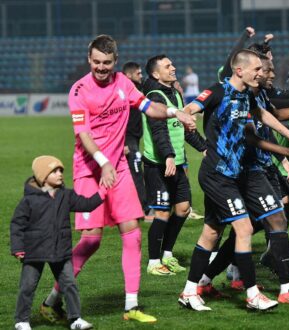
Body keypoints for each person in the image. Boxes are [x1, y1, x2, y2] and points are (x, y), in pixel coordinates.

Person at [42, 34, 196, 324]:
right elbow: (83, 135)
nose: (100, 68)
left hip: (119, 169)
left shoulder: (124, 84)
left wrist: (176, 112)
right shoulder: (78, 91)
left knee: (132, 233)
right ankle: (51, 300)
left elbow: (150, 108)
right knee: (91, 241)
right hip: (90, 171)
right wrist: (103, 163)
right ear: (89, 60)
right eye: (96, 62)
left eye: (106, 63)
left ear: (115, 62)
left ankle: (131, 307)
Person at [178, 49, 289, 311]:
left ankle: (190, 291)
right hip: (217, 175)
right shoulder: (218, 91)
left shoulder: (248, 95)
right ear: (240, 70)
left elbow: (264, 115)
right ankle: (251, 294)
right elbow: (193, 106)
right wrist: (186, 114)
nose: (261, 74)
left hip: (233, 175)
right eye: (257, 69)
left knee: (211, 233)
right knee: (245, 229)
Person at [11, 156, 101, 330]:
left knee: (70, 285)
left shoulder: (66, 195)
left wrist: (102, 193)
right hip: (34, 250)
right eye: (54, 171)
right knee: (27, 286)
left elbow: (86, 204)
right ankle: (21, 321)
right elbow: (17, 224)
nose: (60, 174)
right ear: (43, 176)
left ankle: (75, 319)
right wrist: (18, 247)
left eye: (61, 170)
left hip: (60, 250)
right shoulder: (29, 200)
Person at [142, 54, 207, 276]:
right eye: (167, 66)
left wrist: (204, 147)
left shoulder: (176, 95)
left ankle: (167, 254)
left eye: (172, 64)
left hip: (176, 163)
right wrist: (168, 155)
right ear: (155, 74)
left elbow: (186, 129)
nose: (173, 68)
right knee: (161, 213)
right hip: (158, 164)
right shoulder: (154, 96)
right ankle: (153, 261)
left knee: (182, 208)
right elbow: (158, 130)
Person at [122, 62, 149, 220]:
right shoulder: (125, 92)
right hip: (127, 138)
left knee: (128, 174)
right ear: (129, 75)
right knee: (136, 172)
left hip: (133, 138)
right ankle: (142, 209)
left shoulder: (135, 89)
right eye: (138, 73)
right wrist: (123, 142)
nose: (141, 76)